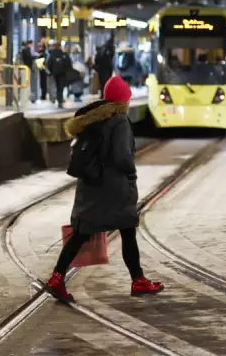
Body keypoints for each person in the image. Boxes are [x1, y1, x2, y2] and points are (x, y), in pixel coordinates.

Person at [44, 76, 164, 302]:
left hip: (91, 186)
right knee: (127, 230)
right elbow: (122, 157)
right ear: (122, 101)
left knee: (81, 232)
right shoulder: (120, 121)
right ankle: (138, 280)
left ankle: (57, 278)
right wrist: (131, 173)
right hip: (114, 188)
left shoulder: (93, 119)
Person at [46, 42, 72, 108]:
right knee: (61, 88)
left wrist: (50, 73)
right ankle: (60, 101)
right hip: (63, 74)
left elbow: (48, 65)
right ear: (60, 47)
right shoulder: (64, 54)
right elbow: (69, 64)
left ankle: (57, 99)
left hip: (55, 74)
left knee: (56, 87)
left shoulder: (52, 55)